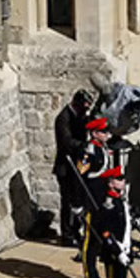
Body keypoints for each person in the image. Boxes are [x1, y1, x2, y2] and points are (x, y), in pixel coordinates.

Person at [53, 89, 94, 246]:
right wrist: (83, 145)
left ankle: (77, 231)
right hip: (65, 166)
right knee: (67, 201)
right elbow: (66, 142)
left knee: (78, 199)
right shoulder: (63, 118)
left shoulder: (79, 116)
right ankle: (67, 235)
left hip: (77, 165)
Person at [76, 117, 111, 278]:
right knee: (89, 242)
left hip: (101, 199)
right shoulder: (88, 152)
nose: (107, 134)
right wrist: (78, 204)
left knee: (98, 241)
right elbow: (80, 179)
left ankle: (96, 275)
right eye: (103, 131)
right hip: (91, 200)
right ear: (95, 133)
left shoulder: (102, 148)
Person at [97, 167, 133, 278]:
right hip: (114, 254)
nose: (123, 182)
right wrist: (118, 252)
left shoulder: (119, 200)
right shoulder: (108, 204)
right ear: (111, 183)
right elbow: (106, 234)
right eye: (119, 179)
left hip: (124, 251)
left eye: (123, 179)